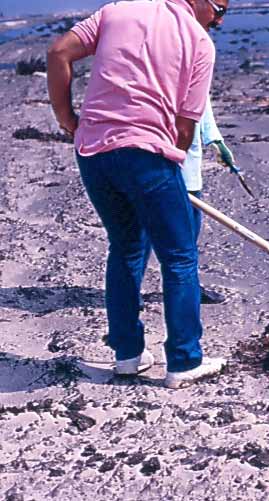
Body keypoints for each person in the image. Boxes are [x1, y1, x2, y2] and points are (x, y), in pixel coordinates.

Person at [46, 0, 230, 389]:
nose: (219, 19)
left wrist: (68, 120)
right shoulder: (200, 43)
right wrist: (170, 175)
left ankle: (127, 355)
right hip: (147, 156)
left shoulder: (117, 11)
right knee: (179, 256)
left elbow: (59, 52)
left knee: (126, 248)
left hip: (93, 154)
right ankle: (183, 361)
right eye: (219, 8)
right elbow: (184, 130)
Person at [142, 95, 234, 306]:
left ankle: (188, 287)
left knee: (189, 233)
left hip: (188, 166)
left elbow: (202, 101)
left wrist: (215, 140)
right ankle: (129, 290)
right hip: (151, 158)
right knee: (142, 232)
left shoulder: (194, 65)